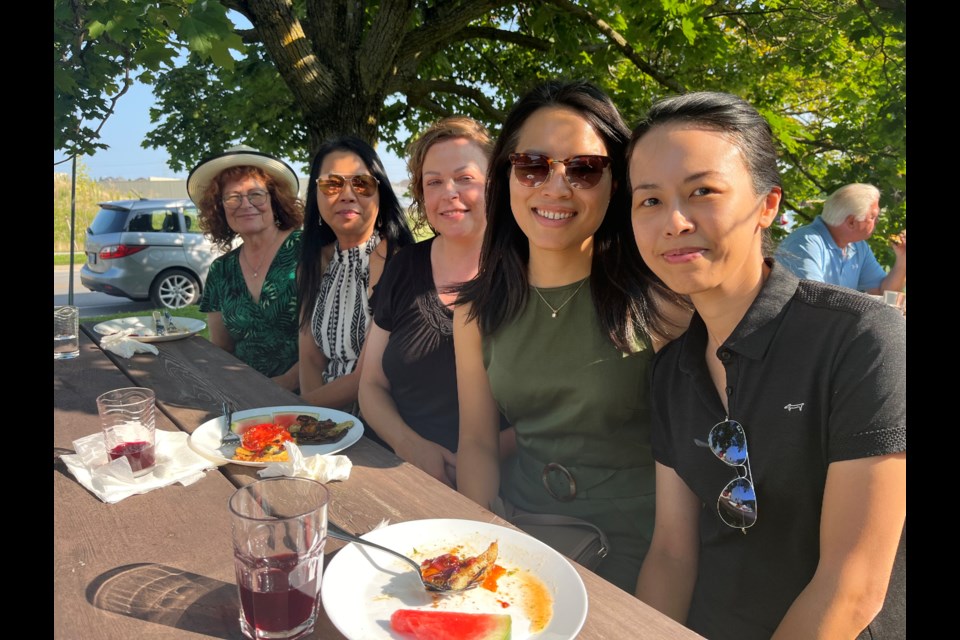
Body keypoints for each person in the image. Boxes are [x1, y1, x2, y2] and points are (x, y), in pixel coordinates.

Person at [628, 92, 905, 639]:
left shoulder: (861, 339)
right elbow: (671, 554)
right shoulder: (669, 373)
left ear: (767, 205)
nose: (674, 221)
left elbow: (851, 588)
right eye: (649, 201)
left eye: (702, 191)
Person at [453, 80, 688, 591]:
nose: (555, 188)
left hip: (631, 549)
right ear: (506, 177)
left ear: (616, 183)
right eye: (532, 166)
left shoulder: (664, 306)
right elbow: (476, 443)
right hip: (518, 533)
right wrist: (476, 545)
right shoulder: (474, 312)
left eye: (584, 169)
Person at [359, 116, 506, 487]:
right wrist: (410, 445)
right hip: (396, 470)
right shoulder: (404, 266)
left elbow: (551, 412)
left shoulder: (528, 271)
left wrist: (469, 461)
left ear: (495, 185)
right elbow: (371, 383)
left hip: (504, 487)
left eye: (465, 178)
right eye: (434, 182)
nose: (449, 193)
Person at [297, 136, 414, 410]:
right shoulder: (313, 264)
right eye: (332, 183)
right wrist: (309, 425)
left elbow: (365, 377)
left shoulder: (394, 262)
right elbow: (311, 359)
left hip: (379, 423)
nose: (348, 194)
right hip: (320, 415)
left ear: (380, 193)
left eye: (362, 183)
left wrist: (297, 411)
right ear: (316, 194)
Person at [189, 145, 303, 390]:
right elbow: (222, 348)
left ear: (276, 199)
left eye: (256, 194)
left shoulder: (307, 251)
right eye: (233, 197)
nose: (245, 204)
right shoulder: (221, 270)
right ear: (220, 208)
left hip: (307, 395)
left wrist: (282, 385)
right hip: (244, 394)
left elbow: (332, 341)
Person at [776, 183, 906, 293]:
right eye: (872, 217)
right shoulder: (805, 242)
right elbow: (814, 300)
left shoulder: (858, 246)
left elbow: (884, 293)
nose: (877, 221)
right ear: (851, 222)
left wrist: (902, 259)